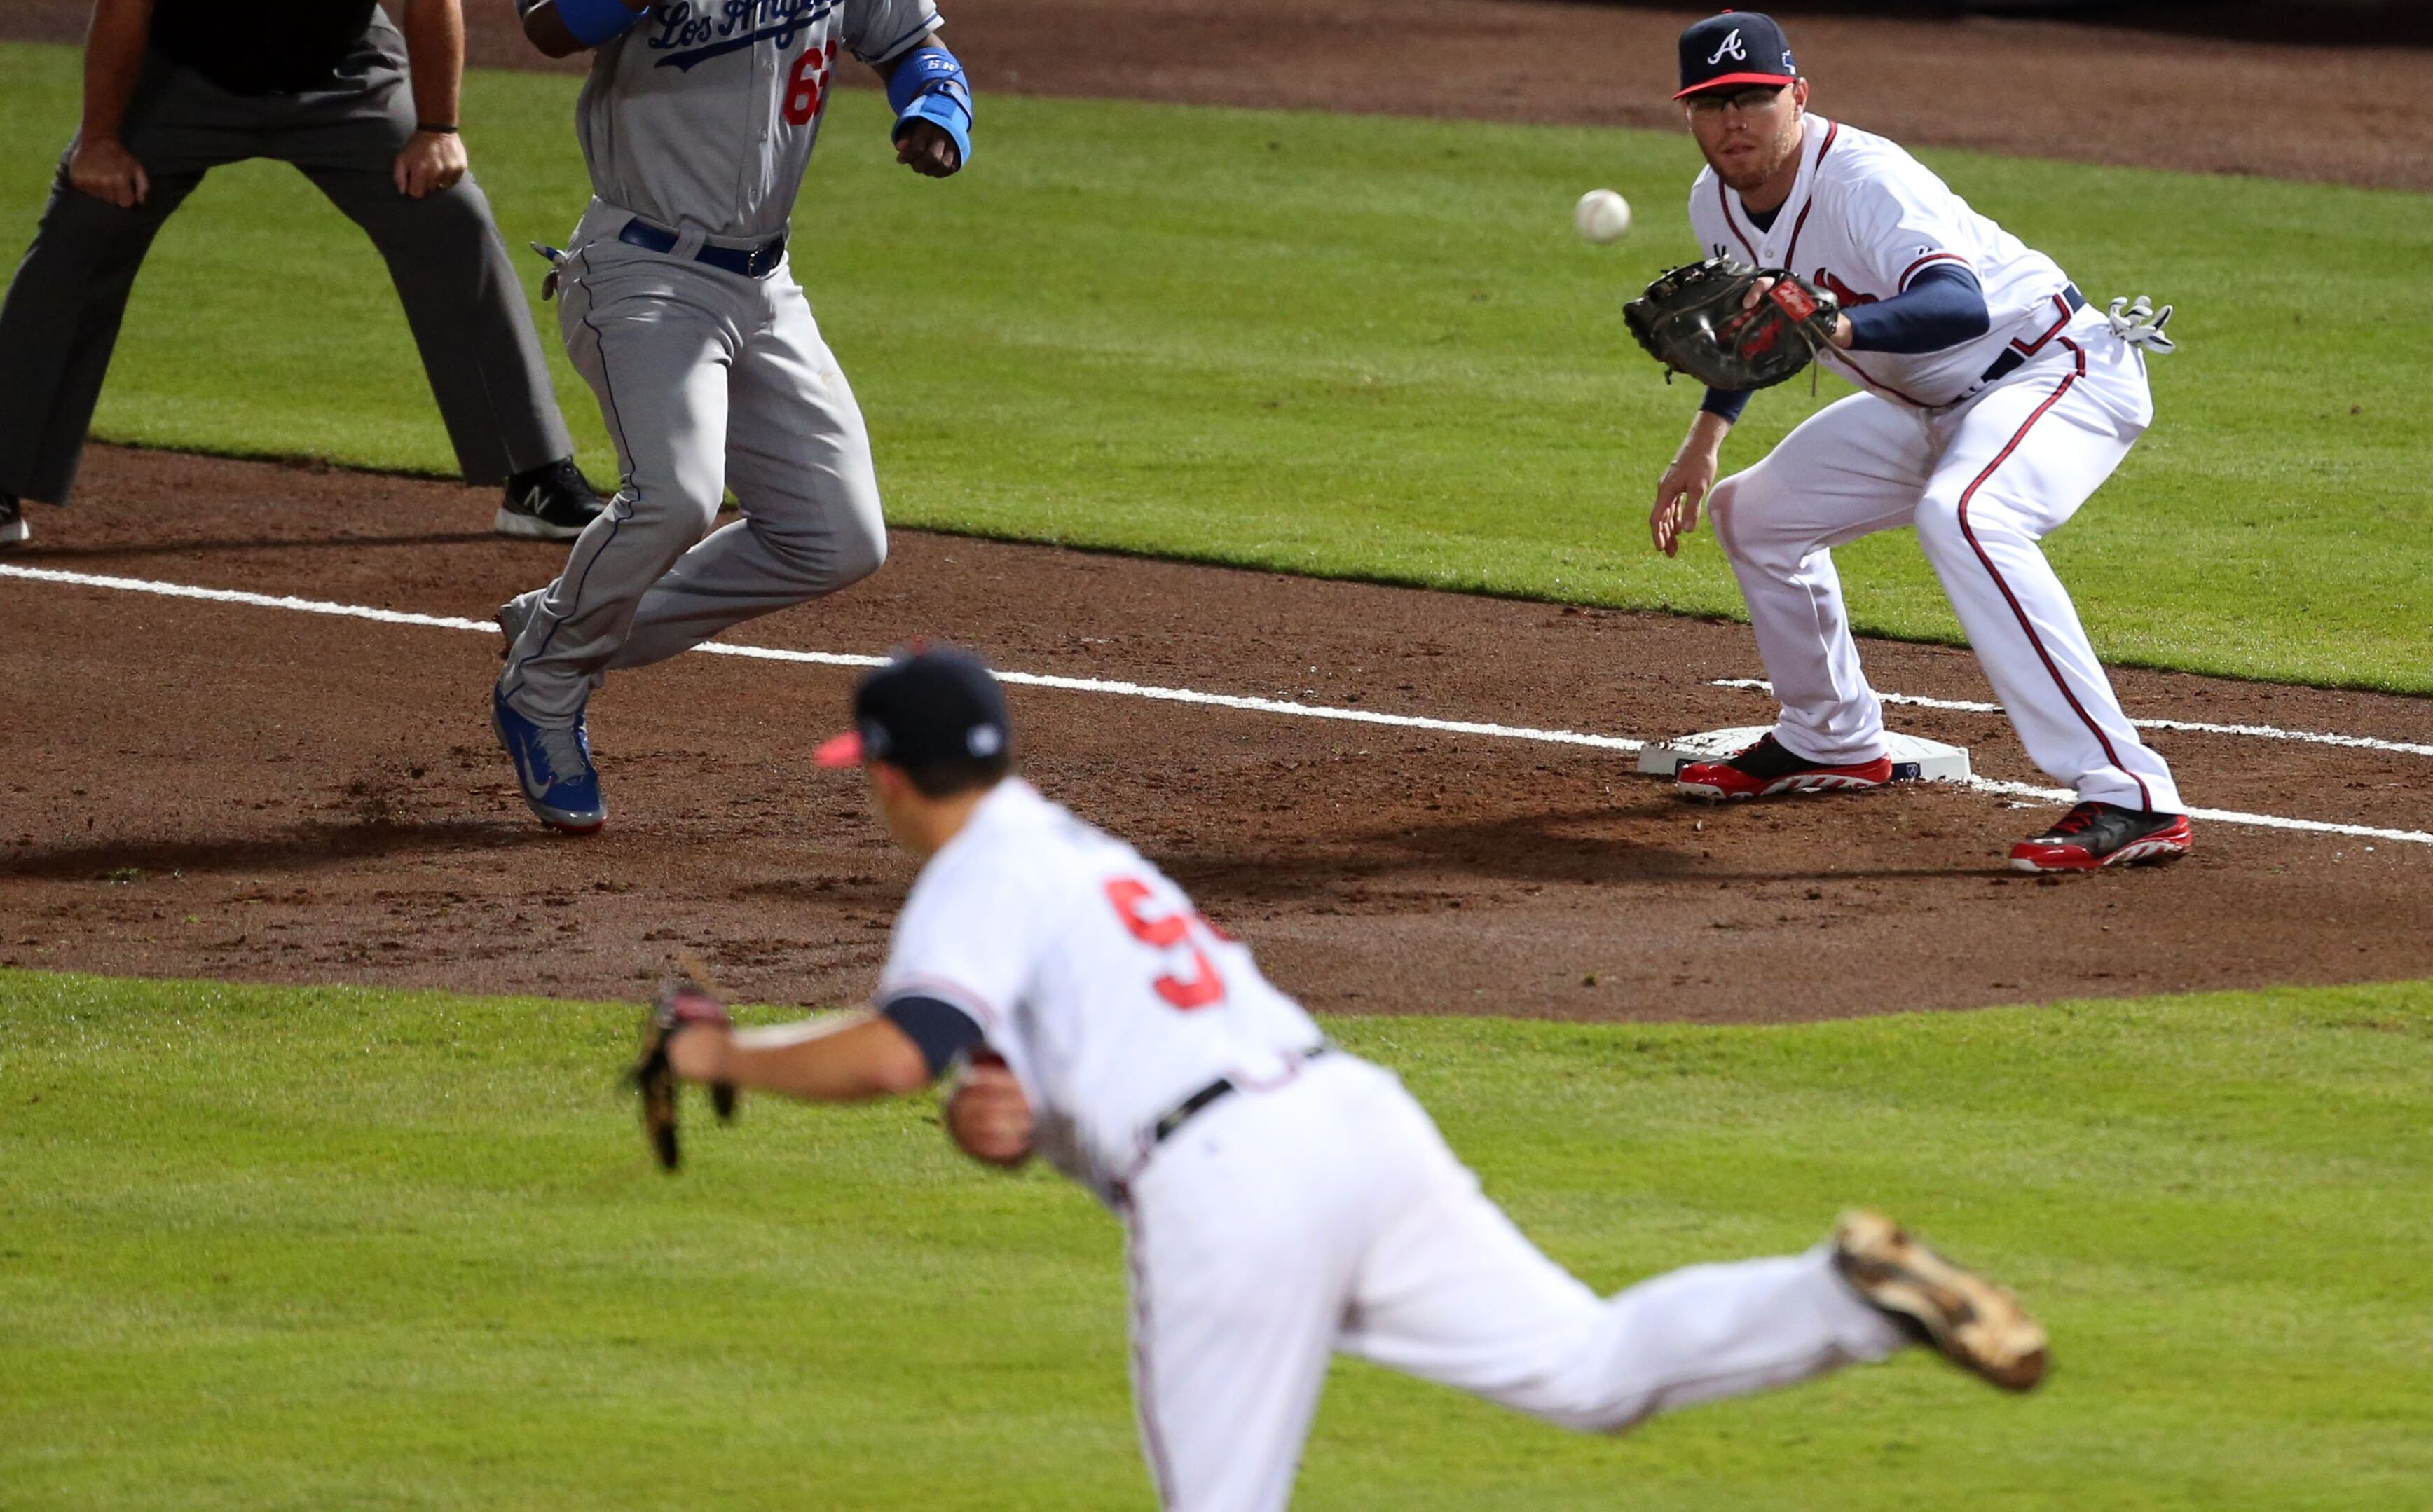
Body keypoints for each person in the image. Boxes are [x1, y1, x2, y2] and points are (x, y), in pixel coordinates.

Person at [647, 647, 2048, 1512]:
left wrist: (719, 1054)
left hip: (1226, 1187)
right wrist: (1007, 1114)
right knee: (1588, 1368)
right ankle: (1840, 1295)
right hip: (1346, 1121)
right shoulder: (1073, 850)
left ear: (891, 777)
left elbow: (902, 1049)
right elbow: (1007, 1073)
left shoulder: (968, 881)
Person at [489, 0, 971, 831]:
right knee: (676, 493)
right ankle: (546, 684)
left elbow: (918, 44)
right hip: (642, 274)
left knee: (837, 535)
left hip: (765, 285)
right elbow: (546, 18)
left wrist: (933, 114)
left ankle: (563, 625)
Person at [0, 0, 603, 552]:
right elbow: (126, 0)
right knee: (82, 224)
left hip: (345, 73)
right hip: (187, 75)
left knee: (451, 217)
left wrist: (438, 129)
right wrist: (99, 140)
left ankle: (535, 476)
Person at [1648, 12, 2189, 874]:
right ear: (1688, 114)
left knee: (1965, 514)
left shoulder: (1866, 180)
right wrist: (1703, 440)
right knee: (1752, 514)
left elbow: (1958, 305)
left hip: (2052, 369)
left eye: (1753, 97)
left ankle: (2132, 793)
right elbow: (1754, 334)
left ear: (1798, 95)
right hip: (1928, 406)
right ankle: (1830, 737)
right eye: (1711, 104)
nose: (1733, 121)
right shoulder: (1713, 201)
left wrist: (1835, 323)